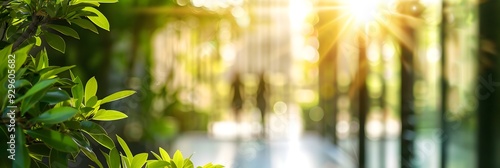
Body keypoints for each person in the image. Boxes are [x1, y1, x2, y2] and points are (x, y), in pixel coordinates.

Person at [256, 73, 267, 138]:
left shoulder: (261, 87)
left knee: (262, 116)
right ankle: (262, 128)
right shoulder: (263, 86)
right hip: (262, 103)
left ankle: (262, 129)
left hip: (261, 103)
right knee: (262, 116)